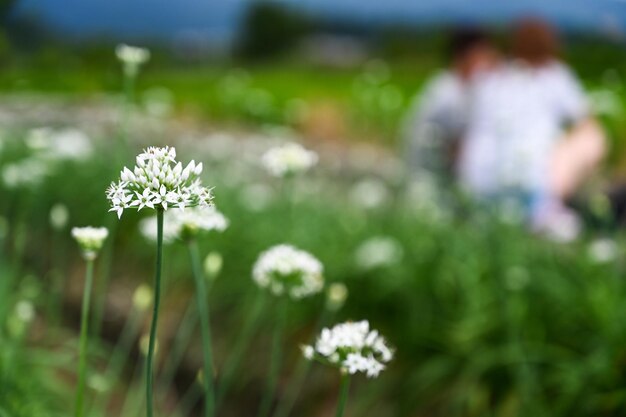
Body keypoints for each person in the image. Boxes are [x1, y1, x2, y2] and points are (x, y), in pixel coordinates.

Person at [457, 18, 605, 240]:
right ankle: (551, 205)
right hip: (531, 186)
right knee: (592, 137)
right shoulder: (555, 75)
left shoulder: (489, 77)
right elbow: (589, 126)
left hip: (475, 190)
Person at [402, 27, 499, 185]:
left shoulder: (454, 86)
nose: (491, 60)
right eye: (484, 53)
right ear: (467, 55)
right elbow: (458, 151)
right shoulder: (447, 94)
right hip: (428, 180)